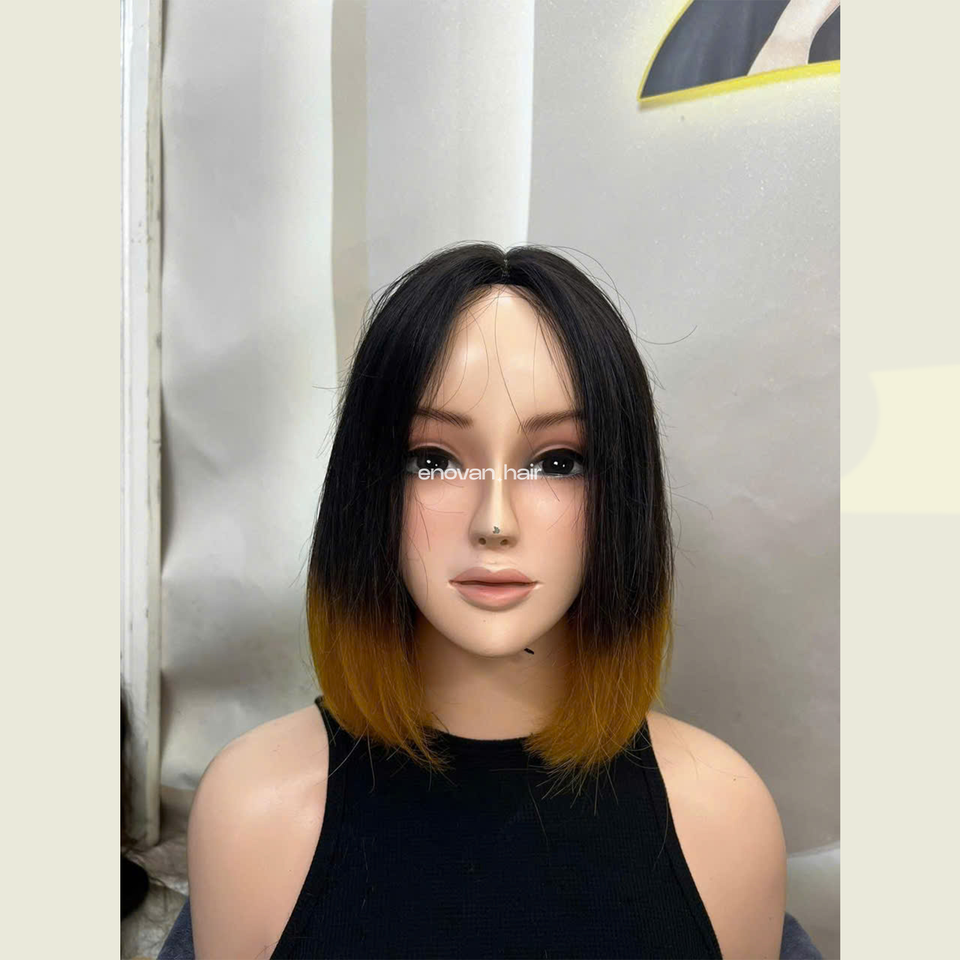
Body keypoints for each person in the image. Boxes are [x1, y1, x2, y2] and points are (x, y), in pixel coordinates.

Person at [186, 243, 787, 959]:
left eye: (557, 462)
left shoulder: (724, 818)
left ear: (621, 496)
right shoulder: (253, 815)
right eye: (433, 460)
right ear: (368, 489)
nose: (494, 521)